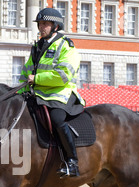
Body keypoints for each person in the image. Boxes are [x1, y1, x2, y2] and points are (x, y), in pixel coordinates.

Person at [19, 8, 86, 177]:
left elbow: (63, 76)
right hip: (38, 94)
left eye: (45, 24)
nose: (42, 27)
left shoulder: (66, 46)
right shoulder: (37, 46)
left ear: (55, 26)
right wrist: (20, 90)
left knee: (57, 119)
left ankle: (72, 162)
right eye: (40, 24)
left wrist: (36, 79)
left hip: (61, 94)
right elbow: (27, 72)